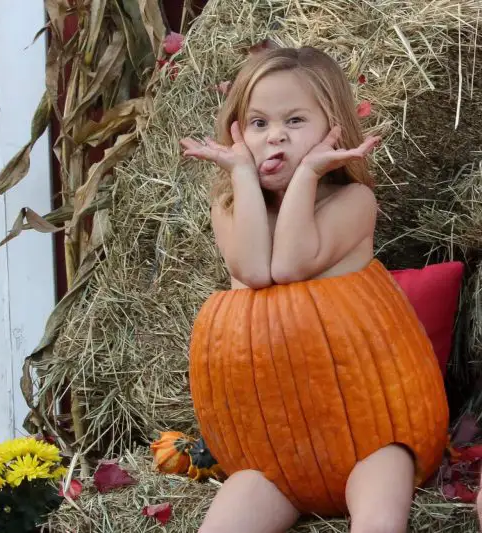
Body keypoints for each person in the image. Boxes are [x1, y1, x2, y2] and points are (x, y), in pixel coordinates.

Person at [180, 46, 447, 533]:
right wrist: (241, 174)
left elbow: (289, 266)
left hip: (376, 435)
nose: (274, 135)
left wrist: (306, 175)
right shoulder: (230, 209)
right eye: (258, 123)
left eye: (295, 120)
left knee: (378, 522)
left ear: (334, 128)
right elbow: (255, 272)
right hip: (273, 455)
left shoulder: (353, 201)